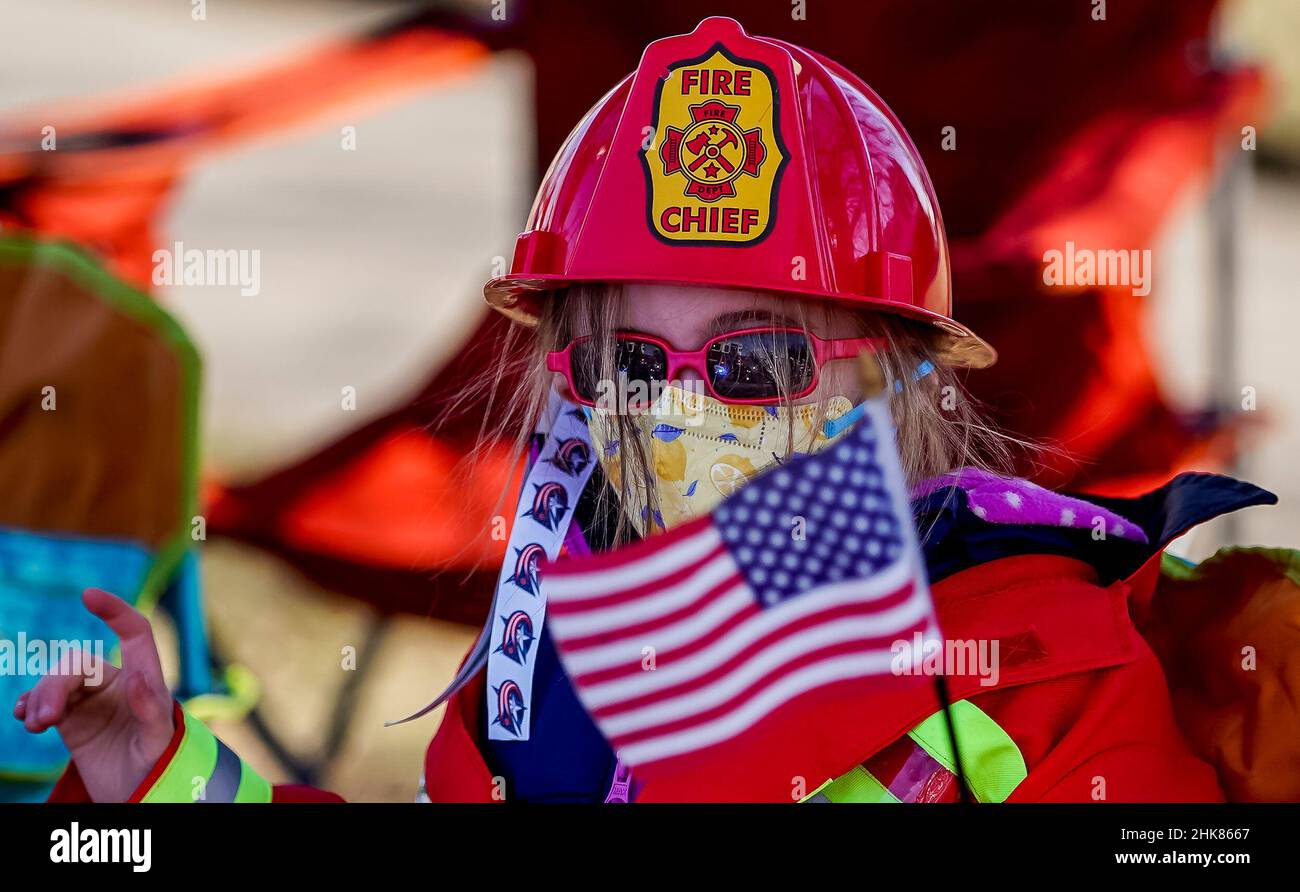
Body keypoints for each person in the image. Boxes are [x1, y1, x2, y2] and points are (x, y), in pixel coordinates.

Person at [15, 17, 1280, 803]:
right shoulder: (546, 668)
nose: (679, 414)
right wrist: (162, 774)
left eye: (754, 363)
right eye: (626, 366)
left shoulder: (1039, 672)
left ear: (901, 374)